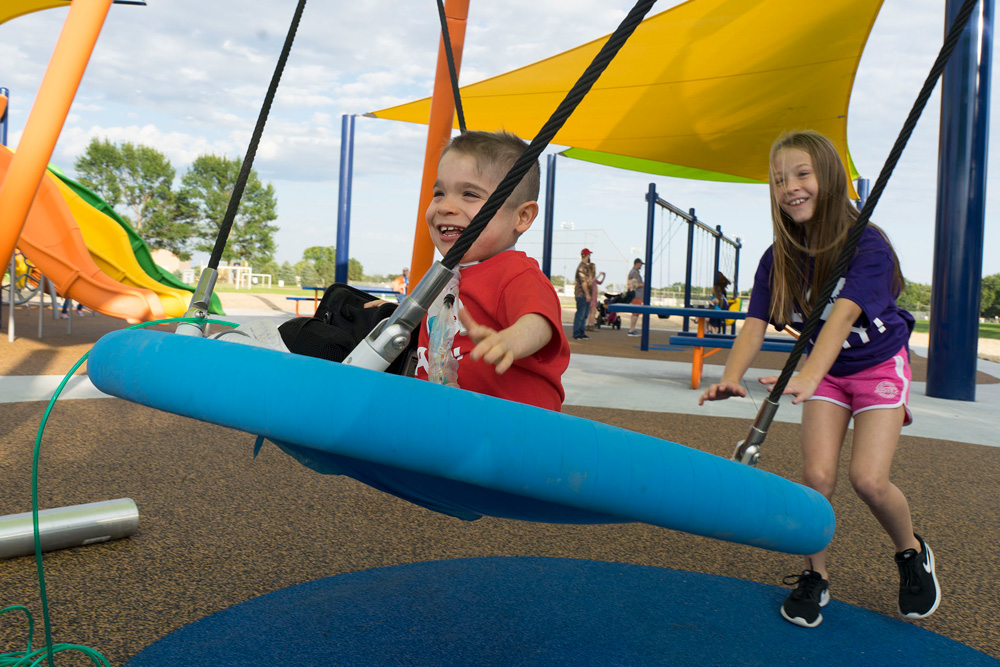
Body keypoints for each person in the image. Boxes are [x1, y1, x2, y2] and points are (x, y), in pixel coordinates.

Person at [699, 130, 937, 629]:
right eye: (779, 179)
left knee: (868, 480)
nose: (790, 187)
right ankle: (815, 576)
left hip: (877, 365)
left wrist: (807, 374)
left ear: (829, 178)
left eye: (802, 174)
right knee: (816, 481)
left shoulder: (867, 245)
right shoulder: (779, 255)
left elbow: (844, 314)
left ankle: (911, 553)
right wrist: (731, 377)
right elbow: (755, 322)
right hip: (824, 376)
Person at [414, 130, 570, 412]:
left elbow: (539, 322)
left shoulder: (515, 273)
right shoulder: (444, 276)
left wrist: (510, 340)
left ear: (521, 217)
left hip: (511, 427)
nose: (446, 206)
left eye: (470, 194)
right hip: (449, 418)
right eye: (439, 193)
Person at [573, 249, 594, 340]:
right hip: (581, 294)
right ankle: (577, 333)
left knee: (584, 315)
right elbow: (583, 282)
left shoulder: (586, 267)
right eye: (589, 255)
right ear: (586, 256)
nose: (589, 257)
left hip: (585, 295)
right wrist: (588, 294)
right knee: (580, 314)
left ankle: (581, 332)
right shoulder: (581, 267)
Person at [626, 257, 645, 336]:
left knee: (636, 313)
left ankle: (632, 328)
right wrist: (644, 284)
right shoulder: (635, 272)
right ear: (637, 263)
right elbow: (635, 284)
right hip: (637, 295)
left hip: (636, 295)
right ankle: (631, 329)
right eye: (641, 264)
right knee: (635, 313)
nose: (641, 266)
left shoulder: (634, 272)